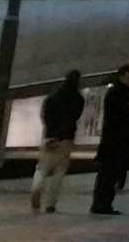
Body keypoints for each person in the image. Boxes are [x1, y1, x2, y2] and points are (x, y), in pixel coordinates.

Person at [32, 69, 84, 213]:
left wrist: (51, 132)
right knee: (59, 171)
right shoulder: (78, 98)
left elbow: (45, 115)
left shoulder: (52, 97)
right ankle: (51, 203)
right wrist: (63, 133)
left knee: (42, 168)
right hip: (66, 138)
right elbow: (75, 117)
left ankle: (36, 188)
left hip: (49, 137)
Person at [91, 65, 129, 214]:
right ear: (121, 76)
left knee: (108, 174)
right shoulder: (119, 93)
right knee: (109, 175)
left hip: (113, 139)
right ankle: (102, 204)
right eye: (128, 78)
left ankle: (102, 203)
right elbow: (125, 113)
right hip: (116, 140)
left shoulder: (118, 92)